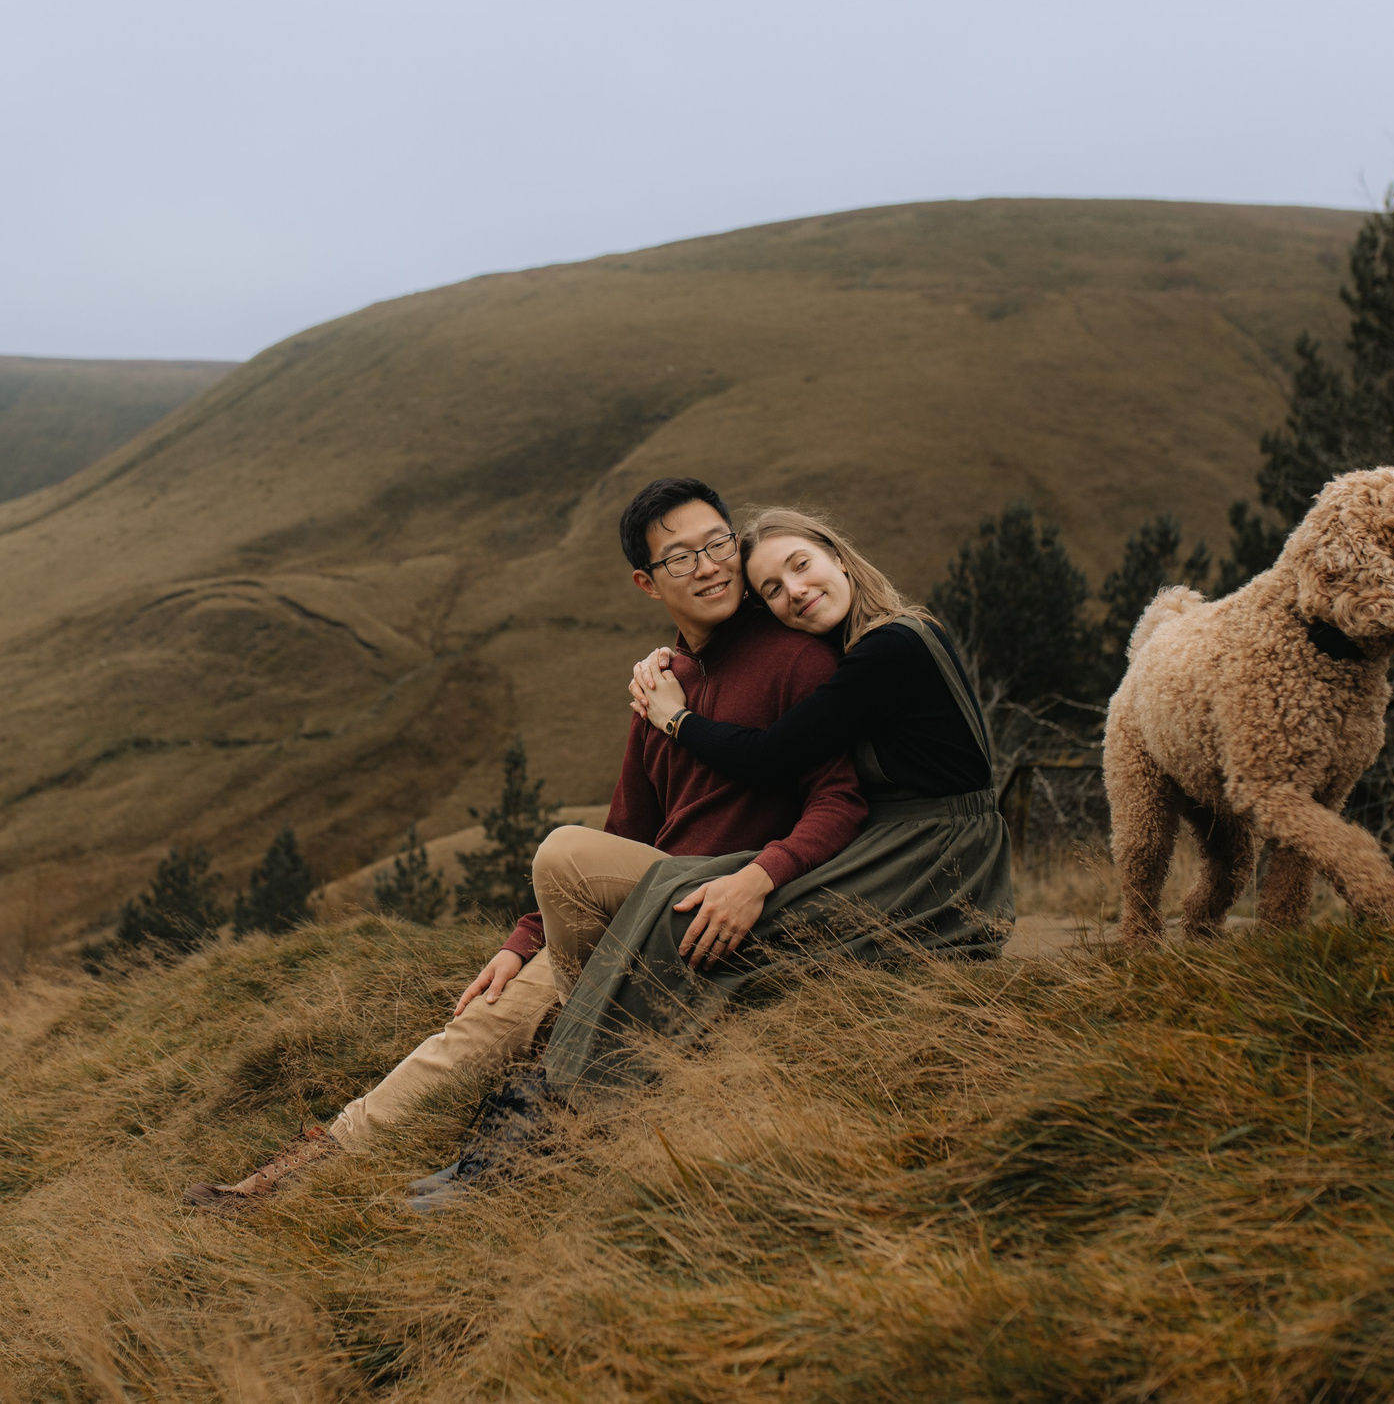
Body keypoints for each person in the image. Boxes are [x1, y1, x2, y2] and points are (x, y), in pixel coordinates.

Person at [185, 478, 867, 1208]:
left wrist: (764, 874)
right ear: (646, 582)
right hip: (636, 908)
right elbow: (629, 831)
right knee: (478, 1025)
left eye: (717, 543)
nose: (708, 565)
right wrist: (522, 941)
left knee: (562, 853)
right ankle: (277, 1184)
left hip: (708, 904)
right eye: (679, 557)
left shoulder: (795, 659)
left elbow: (840, 795)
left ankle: (574, 1087)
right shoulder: (661, 685)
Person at [532, 504, 1010, 1101]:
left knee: (701, 925)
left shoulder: (893, 647)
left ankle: (594, 1089)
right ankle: (585, 1076)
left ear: (837, 554)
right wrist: (675, 657)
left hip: (932, 853)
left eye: (802, 565)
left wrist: (676, 718)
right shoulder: (858, 648)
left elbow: (769, 756)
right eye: (773, 589)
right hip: (903, 843)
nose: (797, 592)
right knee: (693, 913)